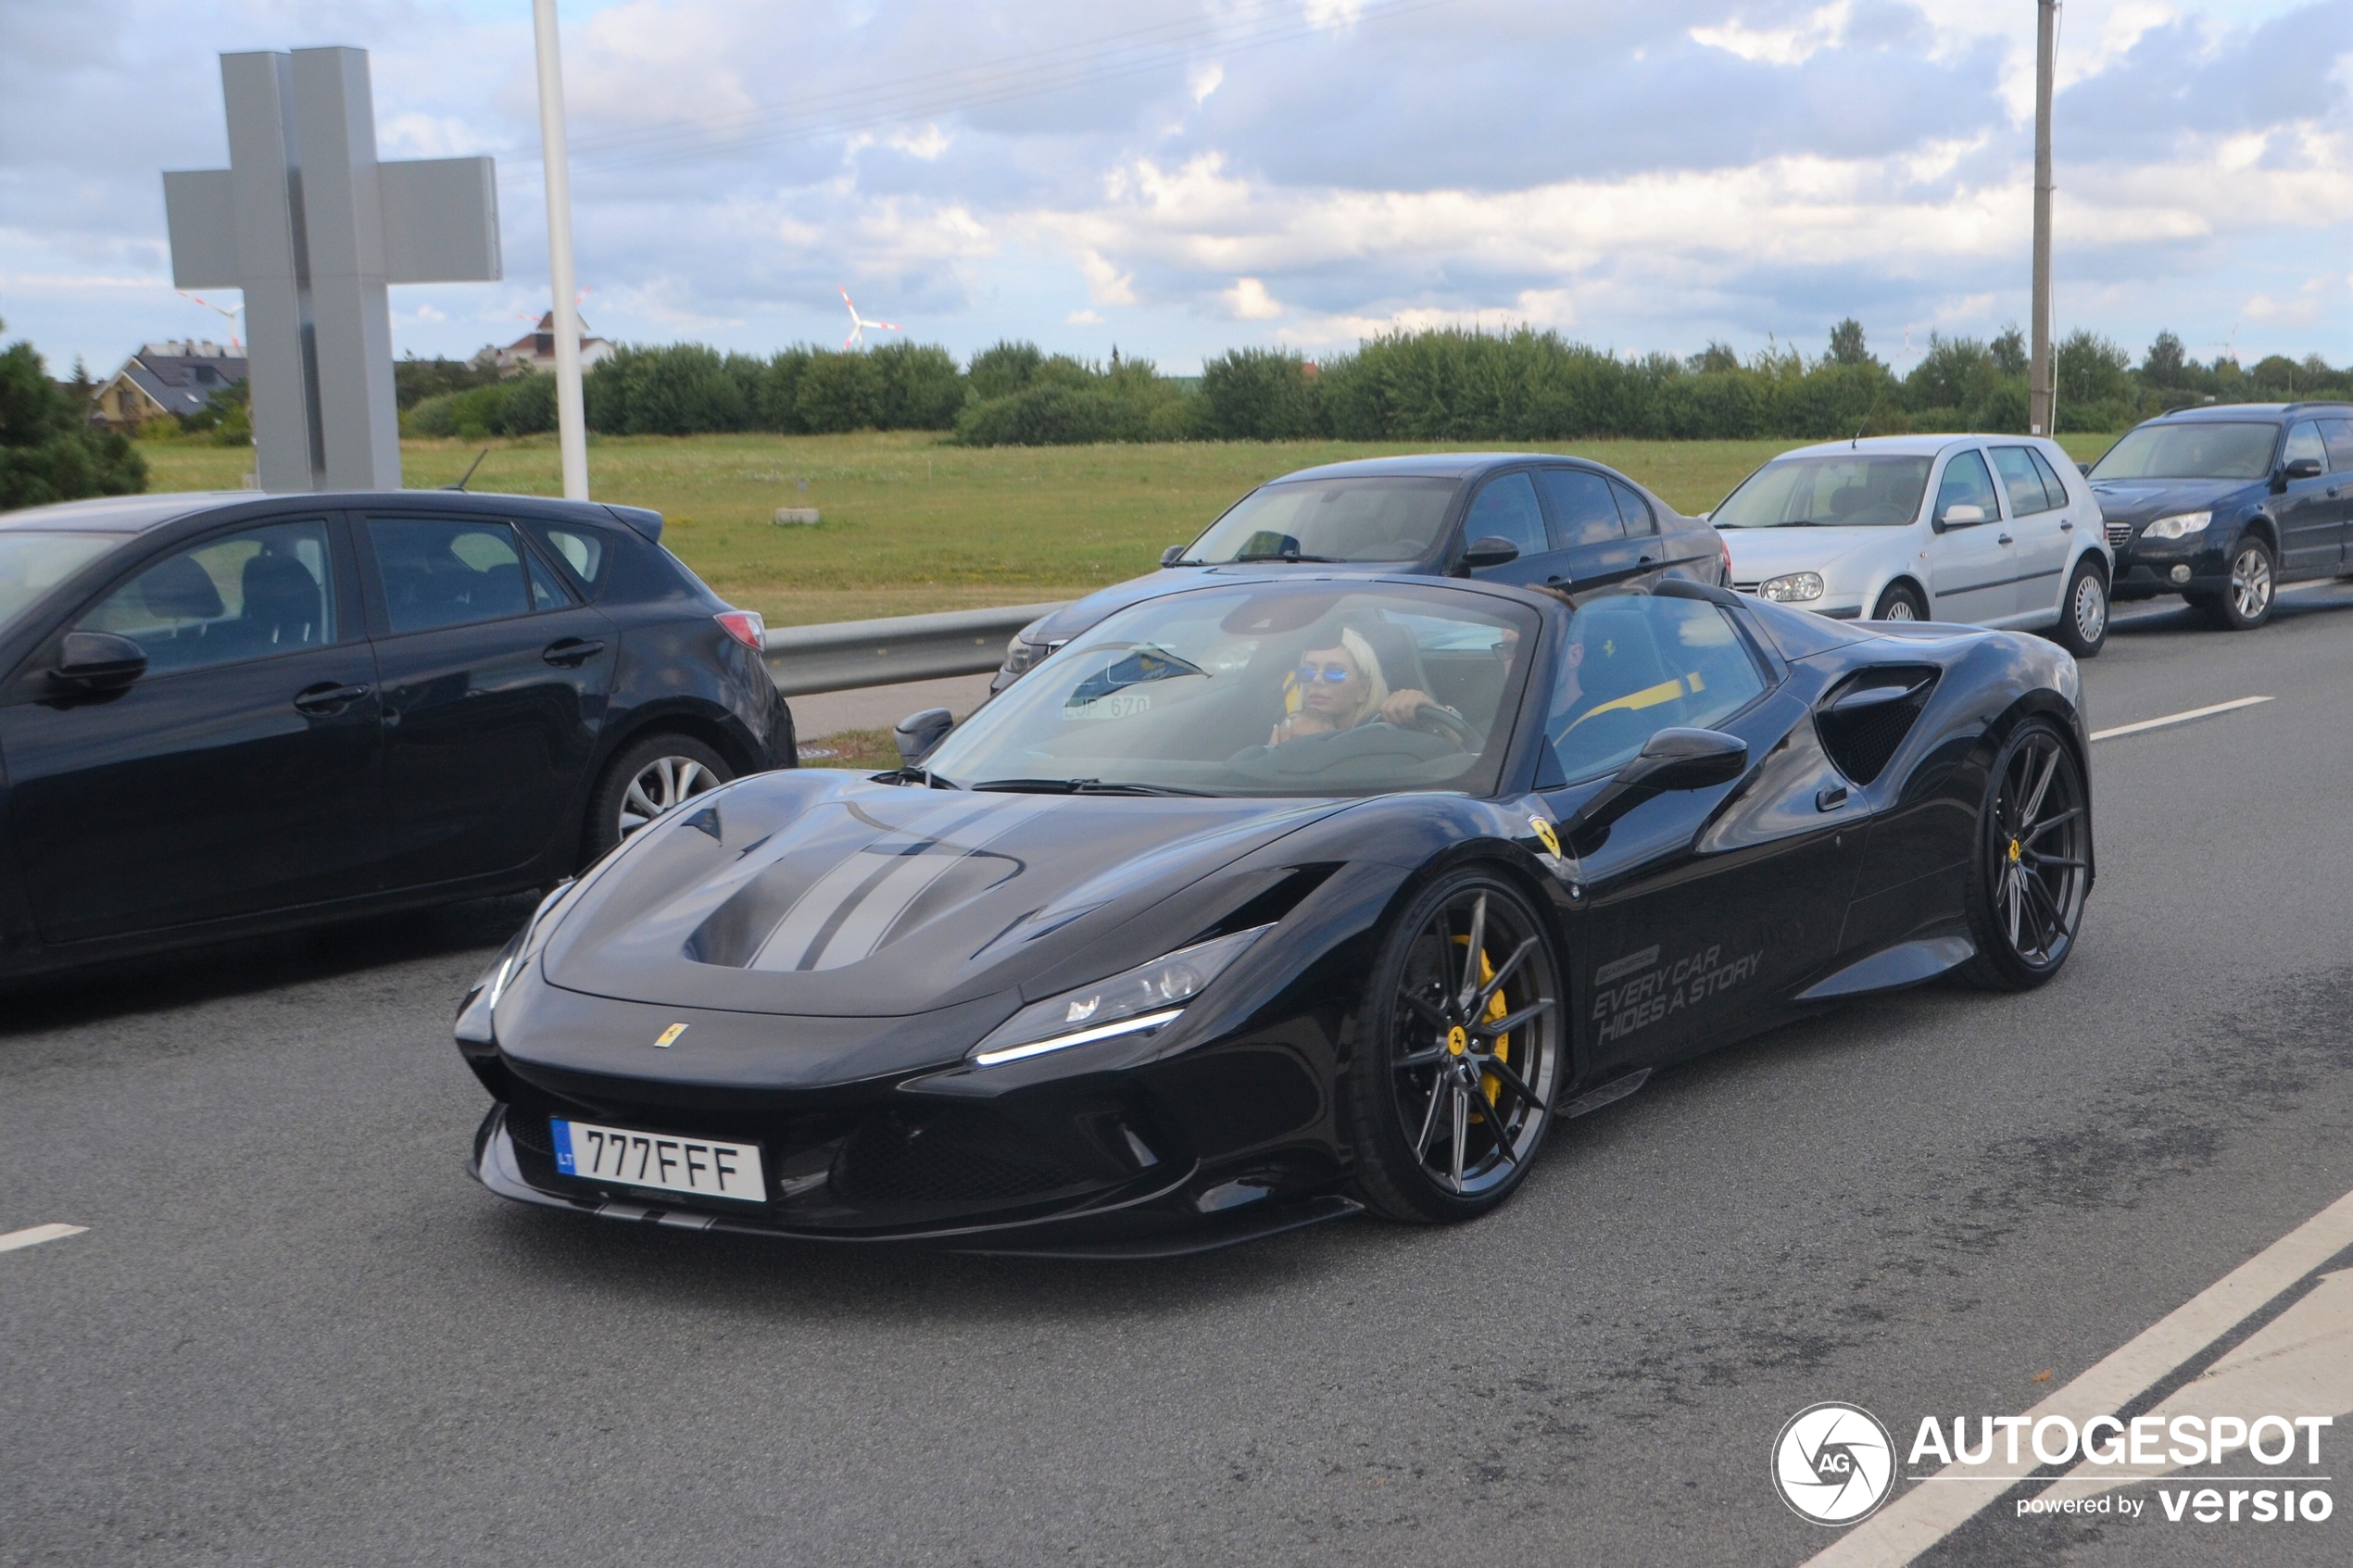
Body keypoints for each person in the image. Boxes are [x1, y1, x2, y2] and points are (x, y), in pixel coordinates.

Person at [1269, 626, 1451, 746]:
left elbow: (1462, 746)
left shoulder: (1389, 736)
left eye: (1335, 673)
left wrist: (1436, 717)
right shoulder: (1286, 732)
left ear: (1363, 690)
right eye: (1307, 672)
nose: (1316, 680)